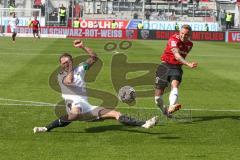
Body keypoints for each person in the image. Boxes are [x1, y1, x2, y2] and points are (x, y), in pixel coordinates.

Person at [33, 40, 158, 133]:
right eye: (64, 63)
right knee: (75, 114)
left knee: (116, 114)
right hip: (74, 106)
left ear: (72, 60)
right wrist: (71, 66)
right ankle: (46, 128)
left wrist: (83, 47)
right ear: (61, 65)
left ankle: (145, 124)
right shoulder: (60, 76)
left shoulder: (81, 68)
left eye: (68, 61)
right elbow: (69, 81)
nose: (66, 64)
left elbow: (94, 58)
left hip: (88, 107)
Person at [154, 24, 198, 117]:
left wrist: (183, 63)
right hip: (164, 66)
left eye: (186, 34)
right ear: (179, 32)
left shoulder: (190, 45)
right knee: (157, 98)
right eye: (182, 33)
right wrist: (188, 63)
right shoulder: (173, 39)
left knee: (175, 86)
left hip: (176, 67)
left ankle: (171, 106)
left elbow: (180, 57)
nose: (183, 36)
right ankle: (166, 112)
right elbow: (177, 56)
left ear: (190, 35)